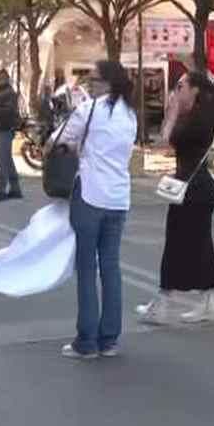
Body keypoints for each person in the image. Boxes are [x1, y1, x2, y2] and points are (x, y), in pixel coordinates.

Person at [61, 60, 138, 360]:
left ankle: (87, 341)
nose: (89, 84)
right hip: (118, 199)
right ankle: (109, 339)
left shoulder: (89, 109)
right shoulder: (130, 114)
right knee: (111, 267)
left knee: (86, 268)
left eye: (93, 79)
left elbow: (60, 139)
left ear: (107, 82)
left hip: (90, 196)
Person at [140, 71, 214, 325]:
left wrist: (172, 112)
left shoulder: (199, 120)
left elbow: (165, 141)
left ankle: (162, 303)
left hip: (194, 190)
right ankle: (206, 302)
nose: (177, 90)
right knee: (198, 245)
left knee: (178, 246)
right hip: (196, 188)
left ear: (195, 90)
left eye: (181, 86)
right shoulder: (197, 116)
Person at [0, 69, 24, 202]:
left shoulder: (9, 93)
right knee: (6, 160)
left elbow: (9, 111)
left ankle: (0, 191)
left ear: (5, 79)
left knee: (2, 161)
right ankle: (15, 189)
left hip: (4, 129)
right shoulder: (0, 92)